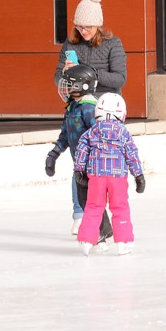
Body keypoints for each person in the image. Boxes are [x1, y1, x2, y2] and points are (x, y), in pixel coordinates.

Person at [45, 64, 113, 242]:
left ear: (82, 86)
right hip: (80, 164)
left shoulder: (89, 109)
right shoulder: (72, 108)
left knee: (91, 200)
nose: (65, 88)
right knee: (86, 200)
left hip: (94, 163)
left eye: (69, 84)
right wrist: (53, 154)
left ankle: (100, 232)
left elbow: (100, 134)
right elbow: (66, 135)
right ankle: (104, 230)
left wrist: (101, 157)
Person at [74, 93, 145, 256]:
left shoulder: (92, 131)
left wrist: (79, 169)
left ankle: (86, 240)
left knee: (93, 206)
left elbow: (82, 149)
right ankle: (124, 241)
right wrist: (138, 175)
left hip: (96, 176)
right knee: (120, 207)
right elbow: (131, 154)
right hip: (117, 177)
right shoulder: (123, 132)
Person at [54, 0, 127, 98]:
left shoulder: (113, 43)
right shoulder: (70, 43)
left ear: (98, 25)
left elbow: (120, 79)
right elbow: (57, 78)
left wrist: (91, 73)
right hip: (79, 100)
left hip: (105, 102)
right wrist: (65, 72)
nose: (83, 31)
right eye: (79, 27)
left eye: (88, 27)